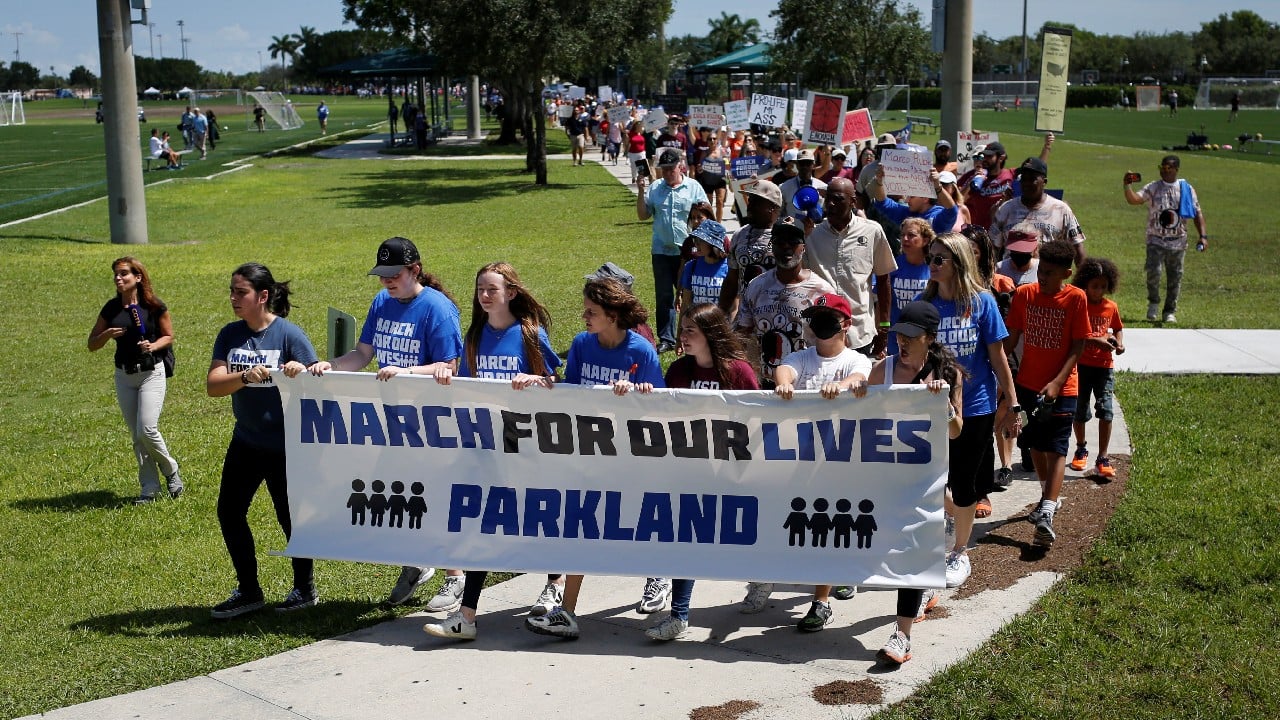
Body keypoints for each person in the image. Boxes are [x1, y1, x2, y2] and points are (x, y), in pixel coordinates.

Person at [308, 237, 463, 606]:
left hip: (429, 420)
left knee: (434, 495)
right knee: (394, 495)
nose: (387, 282)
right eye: (382, 276)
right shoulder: (382, 303)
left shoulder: (438, 310)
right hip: (390, 419)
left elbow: (449, 367)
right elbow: (363, 353)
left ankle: (454, 577)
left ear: (415, 270)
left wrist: (406, 371)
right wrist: (330, 367)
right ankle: (415, 561)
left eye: (394, 275)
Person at [422, 262, 562, 641]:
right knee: (483, 523)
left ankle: (554, 583)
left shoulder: (530, 333)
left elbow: (560, 382)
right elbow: (468, 386)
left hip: (528, 444)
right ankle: (467, 615)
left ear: (511, 293)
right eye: (480, 289)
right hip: (486, 446)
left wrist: (538, 380)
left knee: (538, 517)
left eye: (492, 289)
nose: (484, 296)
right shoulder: (476, 335)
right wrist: (447, 378)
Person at [524, 278, 665, 640]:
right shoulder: (582, 345)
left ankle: (660, 573)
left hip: (630, 459)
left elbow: (662, 412)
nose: (584, 317)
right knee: (578, 528)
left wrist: (639, 394)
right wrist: (548, 384)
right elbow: (574, 396)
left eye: (592, 312)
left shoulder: (642, 352)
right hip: (588, 456)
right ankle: (567, 613)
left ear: (613, 315)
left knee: (641, 524)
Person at [613, 303, 759, 641]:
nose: (683, 337)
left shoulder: (739, 372)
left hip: (731, 470)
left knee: (736, 537)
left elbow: (756, 421)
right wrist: (638, 396)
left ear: (711, 333)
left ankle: (761, 573)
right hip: (688, 471)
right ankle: (679, 615)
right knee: (685, 539)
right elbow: (664, 414)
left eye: (690, 330)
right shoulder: (678, 370)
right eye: (681, 330)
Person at [855, 300, 965, 664]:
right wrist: (855, 391)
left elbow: (955, 432)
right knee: (887, 547)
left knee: (909, 549)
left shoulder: (947, 375)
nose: (902, 343)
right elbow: (859, 418)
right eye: (899, 335)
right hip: (884, 478)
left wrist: (943, 402)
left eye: (911, 337)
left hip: (924, 479)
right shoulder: (881, 370)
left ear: (930, 339)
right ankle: (927, 582)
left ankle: (902, 635)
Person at [207, 262, 319, 618]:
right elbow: (214, 386)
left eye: (241, 292)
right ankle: (250, 590)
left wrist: (299, 372)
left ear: (263, 296)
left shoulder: (289, 335)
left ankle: (304, 588)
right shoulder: (230, 335)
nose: (234, 299)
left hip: (286, 447)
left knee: (291, 519)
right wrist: (243, 376)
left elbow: (319, 385)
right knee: (229, 512)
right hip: (246, 442)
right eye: (232, 291)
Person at [756, 293, 871, 630]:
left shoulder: (855, 360)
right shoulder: (802, 357)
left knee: (827, 527)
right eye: (814, 317)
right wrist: (785, 385)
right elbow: (785, 371)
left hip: (840, 462)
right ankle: (839, 572)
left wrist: (843, 385)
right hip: (802, 460)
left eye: (826, 317)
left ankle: (821, 600)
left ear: (845, 324)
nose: (818, 324)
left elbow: (860, 380)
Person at [919, 232, 1020, 587]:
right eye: (929, 257)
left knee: (964, 484)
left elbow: (998, 357)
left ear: (958, 263)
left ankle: (959, 551)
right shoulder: (924, 304)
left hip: (975, 409)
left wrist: (1012, 402)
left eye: (938, 259)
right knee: (931, 483)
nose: (930, 265)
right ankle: (951, 521)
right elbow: (909, 356)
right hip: (931, 408)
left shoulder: (982, 303)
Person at [1003, 239, 1091, 549]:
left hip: (1063, 387)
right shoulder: (1025, 295)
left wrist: (1057, 381)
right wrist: (999, 374)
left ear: (1066, 273)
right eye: (1042, 271)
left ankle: (1048, 514)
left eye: (1050, 273)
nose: (1042, 278)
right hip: (1028, 385)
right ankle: (1046, 495)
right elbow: (1011, 340)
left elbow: (1078, 346)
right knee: (1034, 445)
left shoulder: (1076, 298)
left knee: (1056, 448)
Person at [88, 257, 182, 505]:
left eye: (123, 274)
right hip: (124, 375)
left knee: (147, 429)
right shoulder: (111, 309)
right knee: (137, 437)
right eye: (116, 275)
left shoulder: (153, 306)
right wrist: (107, 334)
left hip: (151, 372)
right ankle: (149, 489)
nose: (118, 279)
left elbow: (169, 336)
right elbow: (92, 344)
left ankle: (170, 469)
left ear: (137, 278)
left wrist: (152, 345)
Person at [734, 219, 836, 389]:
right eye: (780, 242)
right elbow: (742, 333)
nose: (786, 247)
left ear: (803, 247)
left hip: (807, 384)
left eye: (793, 242)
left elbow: (836, 341)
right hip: (766, 384)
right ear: (772, 247)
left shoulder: (822, 291)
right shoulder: (756, 286)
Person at [803, 177, 897, 357]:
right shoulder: (811, 233)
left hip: (859, 334)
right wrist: (802, 237)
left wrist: (884, 327)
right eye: (828, 198)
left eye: (837, 199)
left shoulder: (872, 231)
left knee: (857, 384)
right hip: (819, 334)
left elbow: (884, 279)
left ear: (853, 202)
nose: (830, 204)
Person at [638, 147, 709, 354]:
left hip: (688, 251)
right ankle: (667, 338)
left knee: (690, 294)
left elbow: (706, 214)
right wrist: (642, 191)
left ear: (681, 167)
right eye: (664, 169)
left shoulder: (693, 187)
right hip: (661, 250)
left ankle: (695, 333)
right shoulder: (655, 188)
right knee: (664, 296)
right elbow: (643, 215)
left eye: (672, 168)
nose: (668, 173)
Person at [1122, 155, 1208, 323]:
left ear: (1176, 170)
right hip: (1156, 239)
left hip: (1178, 241)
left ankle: (1169, 312)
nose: (1164, 171)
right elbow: (1135, 200)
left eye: (1168, 168)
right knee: (1154, 272)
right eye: (1161, 167)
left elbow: (1197, 213)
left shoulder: (1186, 189)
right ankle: (1153, 303)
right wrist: (1127, 186)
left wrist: (1203, 236)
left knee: (1175, 278)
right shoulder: (1153, 187)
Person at [1067, 258, 1125, 481]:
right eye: (1094, 286)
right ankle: (1081, 449)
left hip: (1104, 367)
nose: (1098, 291)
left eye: (1102, 286)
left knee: (1106, 410)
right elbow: (1076, 333)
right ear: (1084, 284)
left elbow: (1118, 328)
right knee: (1079, 411)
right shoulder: (1079, 303)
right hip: (1081, 366)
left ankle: (1103, 457)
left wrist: (1118, 343)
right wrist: (1097, 339)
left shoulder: (1111, 307)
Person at [991, 157, 1086, 267]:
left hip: (1048, 278)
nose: (1026, 183)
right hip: (1011, 278)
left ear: (1044, 182)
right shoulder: (1006, 209)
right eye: (1023, 178)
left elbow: (1078, 247)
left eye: (1032, 179)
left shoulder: (1061, 210)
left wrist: (1082, 282)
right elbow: (993, 248)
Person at [718, 180, 782, 320]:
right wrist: (720, 314)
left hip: (776, 315)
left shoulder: (785, 235)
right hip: (746, 317)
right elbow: (731, 280)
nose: (749, 205)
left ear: (772, 207)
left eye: (756, 201)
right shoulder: (739, 235)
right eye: (750, 200)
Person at [885, 218, 934, 358]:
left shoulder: (934, 267)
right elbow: (884, 302)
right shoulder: (893, 265)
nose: (905, 239)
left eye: (911, 235)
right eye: (902, 235)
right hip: (897, 337)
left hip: (925, 336)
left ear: (925, 240)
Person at [872, 165, 960, 236]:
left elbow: (952, 211)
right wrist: (879, 182)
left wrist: (938, 187)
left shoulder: (936, 217)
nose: (906, 201)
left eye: (912, 196)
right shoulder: (907, 213)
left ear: (925, 198)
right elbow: (882, 202)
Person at [679, 219, 730, 310]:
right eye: (696, 240)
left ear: (713, 245)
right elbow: (686, 303)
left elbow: (734, 307)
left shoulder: (730, 268)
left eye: (700, 241)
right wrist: (682, 324)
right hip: (696, 322)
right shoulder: (691, 266)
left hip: (720, 323)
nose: (696, 244)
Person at [779, 149, 828, 214]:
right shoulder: (784, 188)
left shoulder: (823, 187)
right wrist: (793, 220)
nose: (805, 166)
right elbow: (780, 215)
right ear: (797, 165)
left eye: (808, 163)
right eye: (802, 163)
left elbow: (827, 214)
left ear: (813, 164)